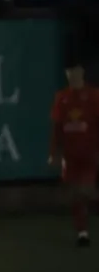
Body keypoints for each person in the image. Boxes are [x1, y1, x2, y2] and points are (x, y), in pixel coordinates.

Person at [48, 62, 99, 246]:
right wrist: (54, 153)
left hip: (89, 153)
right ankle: (82, 233)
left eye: (75, 71)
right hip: (70, 155)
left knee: (85, 191)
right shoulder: (62, 97)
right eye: (69, 72)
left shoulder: (94, 96)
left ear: (82, 72)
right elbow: (57, 128)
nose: (72, 75)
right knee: (75, 195)